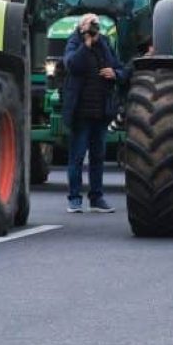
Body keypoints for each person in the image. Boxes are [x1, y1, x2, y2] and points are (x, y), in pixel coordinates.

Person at [62, 13, 127, 214]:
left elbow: (120, 68)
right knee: (77, 157)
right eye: (89, 25)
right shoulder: (74, 43)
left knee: (98, 157)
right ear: (81, 27)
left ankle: (96, 198)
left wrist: (115, 74)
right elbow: (71, 65)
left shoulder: (104, 44)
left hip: (100, 112)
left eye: (95, 25)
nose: (93, 29)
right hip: (81, 113)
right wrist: (86, 44)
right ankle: (74, 198)